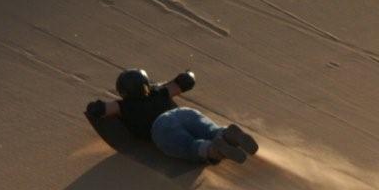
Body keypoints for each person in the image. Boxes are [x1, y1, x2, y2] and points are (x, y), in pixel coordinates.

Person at [85, 68, 258, 164]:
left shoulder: (124, 105)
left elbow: (101, 110)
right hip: (183, 113)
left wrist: (95, 107)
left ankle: (214, 149)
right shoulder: (160, 91)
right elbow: (185, 82)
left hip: (161, 128)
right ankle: (226, 134)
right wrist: (187, 75)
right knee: (209, 129)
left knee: (190, 146)